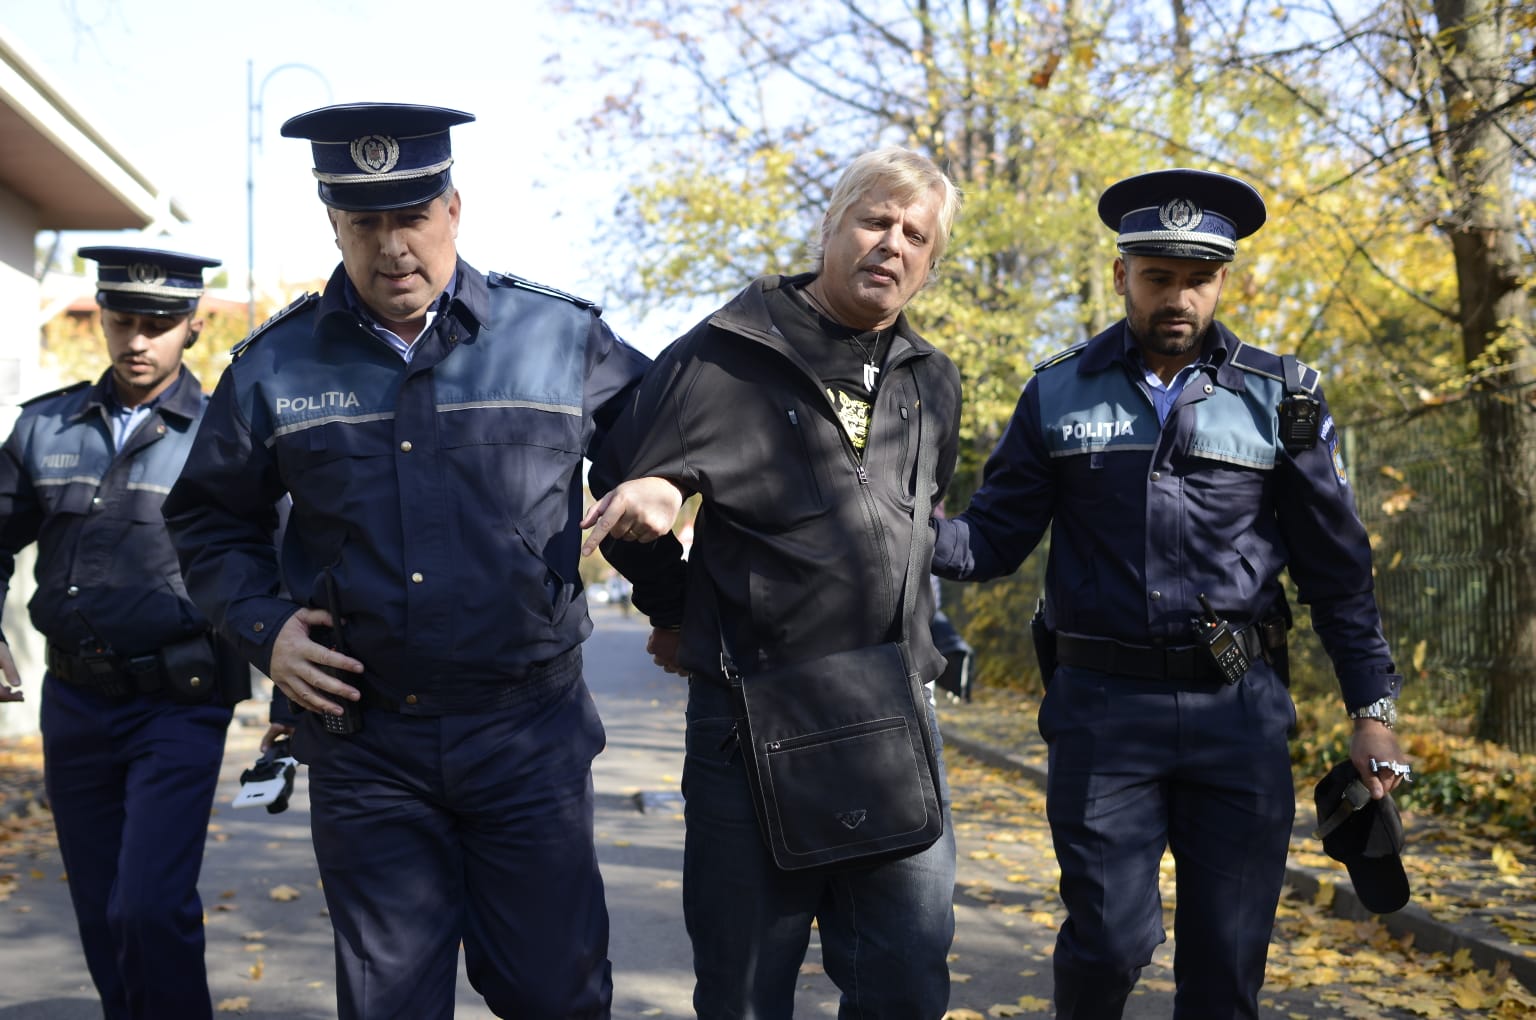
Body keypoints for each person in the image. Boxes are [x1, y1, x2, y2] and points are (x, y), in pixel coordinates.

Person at [161, 102, 684, 1020]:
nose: (392, 245)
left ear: (453, 210)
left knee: (555, 995)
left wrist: (665, 482)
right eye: (365, 222)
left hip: (528, 736)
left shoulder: (557, 336)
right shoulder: (274, 367)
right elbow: (208, 519)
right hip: (369, 748)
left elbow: (673, 435)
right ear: (333, 223)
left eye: (411, 215)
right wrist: (266, 629)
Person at [929, 168, 1410, 1019]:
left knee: (1227, 967)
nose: (1178, 298)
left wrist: (1371, 709)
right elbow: (990, 541)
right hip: (1102, 713)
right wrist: (891, 522)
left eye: (1199, 278)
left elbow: (1336, 569)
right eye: (1158, 276)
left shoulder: (1282, 398)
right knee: (1108, 944)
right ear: (1122, 275)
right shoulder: (1057, 392)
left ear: (1223, 281)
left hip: (1240, 713)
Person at [587, 146, 965, 1018]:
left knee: (906, 988)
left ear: (930, 264)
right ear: (831, 226)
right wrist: (677, 609)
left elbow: (918, 523)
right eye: (875, 221)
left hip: (893, 723)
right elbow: (622, 493)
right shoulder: (723, 354)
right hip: (748, 722)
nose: (892, 244)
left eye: (916, 235)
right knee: (746, 993)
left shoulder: (933, 382)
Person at [0, 246, 251, 1020]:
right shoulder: (45, 426)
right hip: (75, 701)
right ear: (102, 320)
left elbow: (279, 562)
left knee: (148, 904)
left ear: (193, 327)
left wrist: (287, 697)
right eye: (122, 322)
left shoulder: (225, 434)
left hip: (180, 701)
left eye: (157, 324)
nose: (137, 340)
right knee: (101, 907)